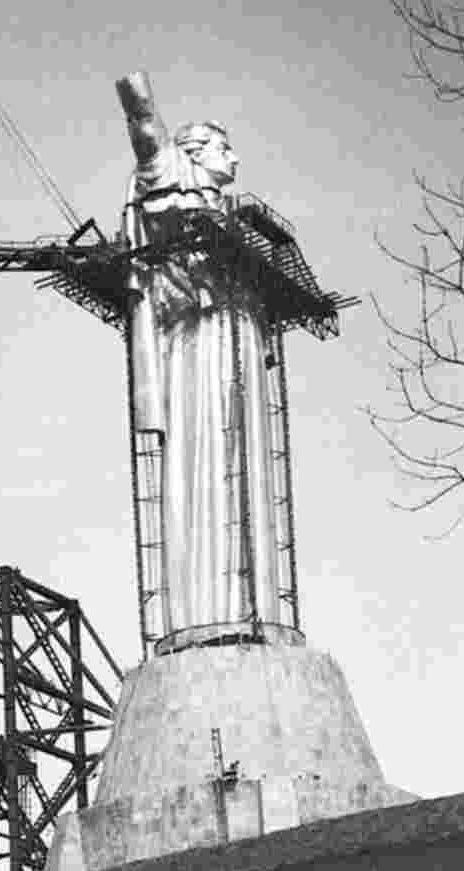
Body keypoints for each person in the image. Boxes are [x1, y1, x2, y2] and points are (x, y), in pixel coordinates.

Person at [116, 71, 286, 646]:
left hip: (236, 338)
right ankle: (205, 611)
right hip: (197, 346)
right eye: (222, 146)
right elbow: (146, 135)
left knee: (251, 472)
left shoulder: (227, 223)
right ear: (193, 154)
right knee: (203, 464)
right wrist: (136, 93)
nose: (234, 158)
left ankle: (253, 607)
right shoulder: (172, 180)